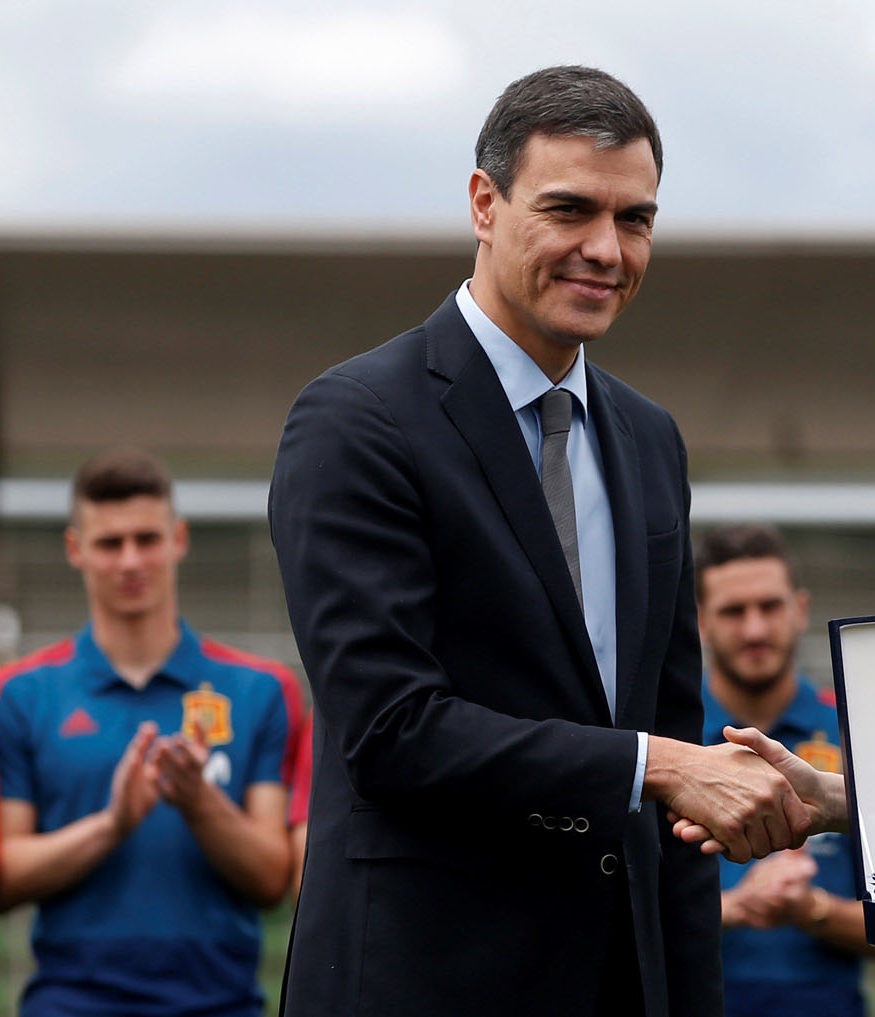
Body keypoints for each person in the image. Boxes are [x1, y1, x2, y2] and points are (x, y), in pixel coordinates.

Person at [269, 65, 820, 1017]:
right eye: (570, 210)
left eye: (635, 219)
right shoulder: (358, 420)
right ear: (484, 203)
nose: (606, 250)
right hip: (424, 982)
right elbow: (390, 729)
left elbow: (675, 752)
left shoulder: (649, 440)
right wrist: (659, 764)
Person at [0, 449, 310, 1016]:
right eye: (110, 543)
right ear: (75, 550)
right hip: (69, 1004)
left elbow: (273, 878)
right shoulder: (20, 695)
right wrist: (112, 826)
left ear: (178, 539)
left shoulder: (261, 690)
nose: (130, 560)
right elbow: (1, 877)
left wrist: (198, 802)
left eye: (147, 539)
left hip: (220, 1004)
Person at [695, 524, 875, 1017]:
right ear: (700, 621)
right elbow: (606, 922)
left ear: (800, 609)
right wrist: (732, 910)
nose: (754, 629)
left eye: (768, 606)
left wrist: (811, 909)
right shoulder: (662, 745)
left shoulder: (856, 737)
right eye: (732, 611)